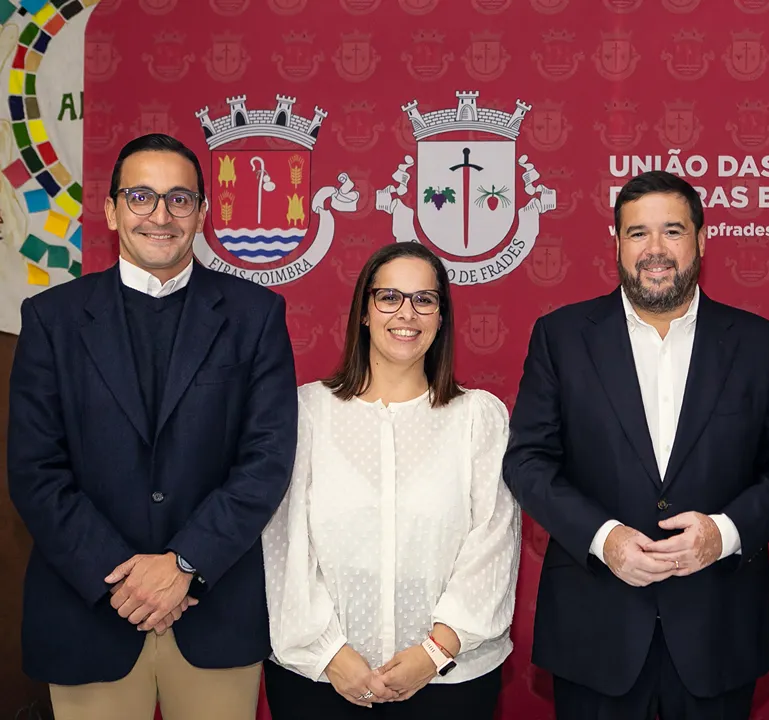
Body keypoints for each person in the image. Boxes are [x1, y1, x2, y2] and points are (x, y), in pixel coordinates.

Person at [6, 133, 298, 719]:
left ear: (203, 213)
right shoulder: (51, 319)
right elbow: (36, 471)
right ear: (111, 210)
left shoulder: (255, 316)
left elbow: (266, 459)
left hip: (212, 613)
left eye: (179, 199)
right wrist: (122, 579)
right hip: (89, 612)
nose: (160, 215)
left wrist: (185, 565)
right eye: (141, 197)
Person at [502, 170, 769, 720]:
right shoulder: (562, 337)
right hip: (596, 633)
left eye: (672, 230)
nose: (655, 250)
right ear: (616, 243)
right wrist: (605, 538)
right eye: (638, 233)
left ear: (702, 239)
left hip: (718, 630)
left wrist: (725, 532)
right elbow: (528, 461)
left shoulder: (758, 342)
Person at [262, 241, 519, 719]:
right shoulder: (304, 412)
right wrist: (331, 654)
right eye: (389, 297)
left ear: (441, 317)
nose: (408, 313)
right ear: (364, 311)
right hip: (319, 680)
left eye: (425, 299)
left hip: (450, 680)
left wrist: (434, 653)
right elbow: (284, 547)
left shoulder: (477, 417)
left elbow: (494, 541)